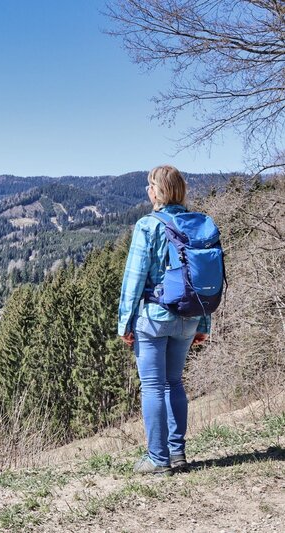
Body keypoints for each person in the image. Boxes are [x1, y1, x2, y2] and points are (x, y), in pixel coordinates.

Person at [117, 165, 210, 475]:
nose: (148, 190)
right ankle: (177, 454)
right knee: (174, 383)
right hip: (189, 317)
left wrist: (124, 323)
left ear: (158, 192)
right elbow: (203, 279)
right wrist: (203, 324)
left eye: (150, 186)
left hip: (154, 318)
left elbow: (133, 279)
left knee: (153, 388)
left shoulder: (148, 225)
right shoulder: (197, 223)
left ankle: (158, 460)